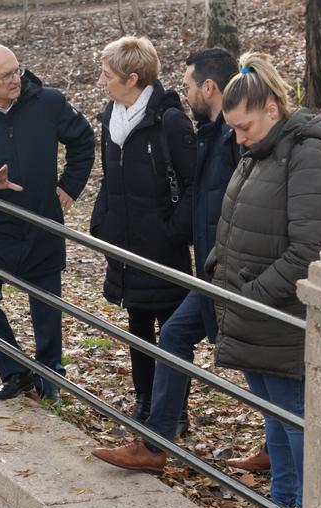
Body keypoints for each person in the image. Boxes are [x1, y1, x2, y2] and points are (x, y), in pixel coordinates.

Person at [92, 48, 257, 473]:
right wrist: (104, 223)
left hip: (226, 269)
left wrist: (173, 233)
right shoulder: (212, 132)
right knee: (170, 335)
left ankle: (284, 463)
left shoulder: (215, 134)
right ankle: (156, 435)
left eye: (188, 84)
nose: (182, 92)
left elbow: (212, 197)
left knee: (259, 366)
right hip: (207, 265)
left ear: (209, 87)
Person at [206, 53, 321, 508]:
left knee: (292, 414)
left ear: (271, 108)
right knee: (271, 411)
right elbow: (241, 218)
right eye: (233, 129)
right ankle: (281, 500)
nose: (237, 138)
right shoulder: (258, 150)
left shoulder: (306, 153)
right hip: (247, 306)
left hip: (277, 311)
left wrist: (256, 295)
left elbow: (311, 246)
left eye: (244, 127)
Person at [0, 43, 95, 400]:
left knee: (46, 309)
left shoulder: (49, 102)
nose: (17, 80)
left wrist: (69, 186)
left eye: (18, 70)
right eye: (6, 75)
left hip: (42, 223)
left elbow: (83, 141)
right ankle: (15, 371)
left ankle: (50, 379)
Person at [88, 36, 195, 425]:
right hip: (126, 248)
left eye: (108, 75)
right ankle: (146, 401)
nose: (103, 82)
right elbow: (108, 180)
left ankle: (175, 410)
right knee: (137, 330)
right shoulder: (108, 119)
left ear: (133, 78)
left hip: (164, 250)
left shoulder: (169, 121)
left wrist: (172, 231)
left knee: (172, 332)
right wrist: (101, 223)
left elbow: (193, 185)